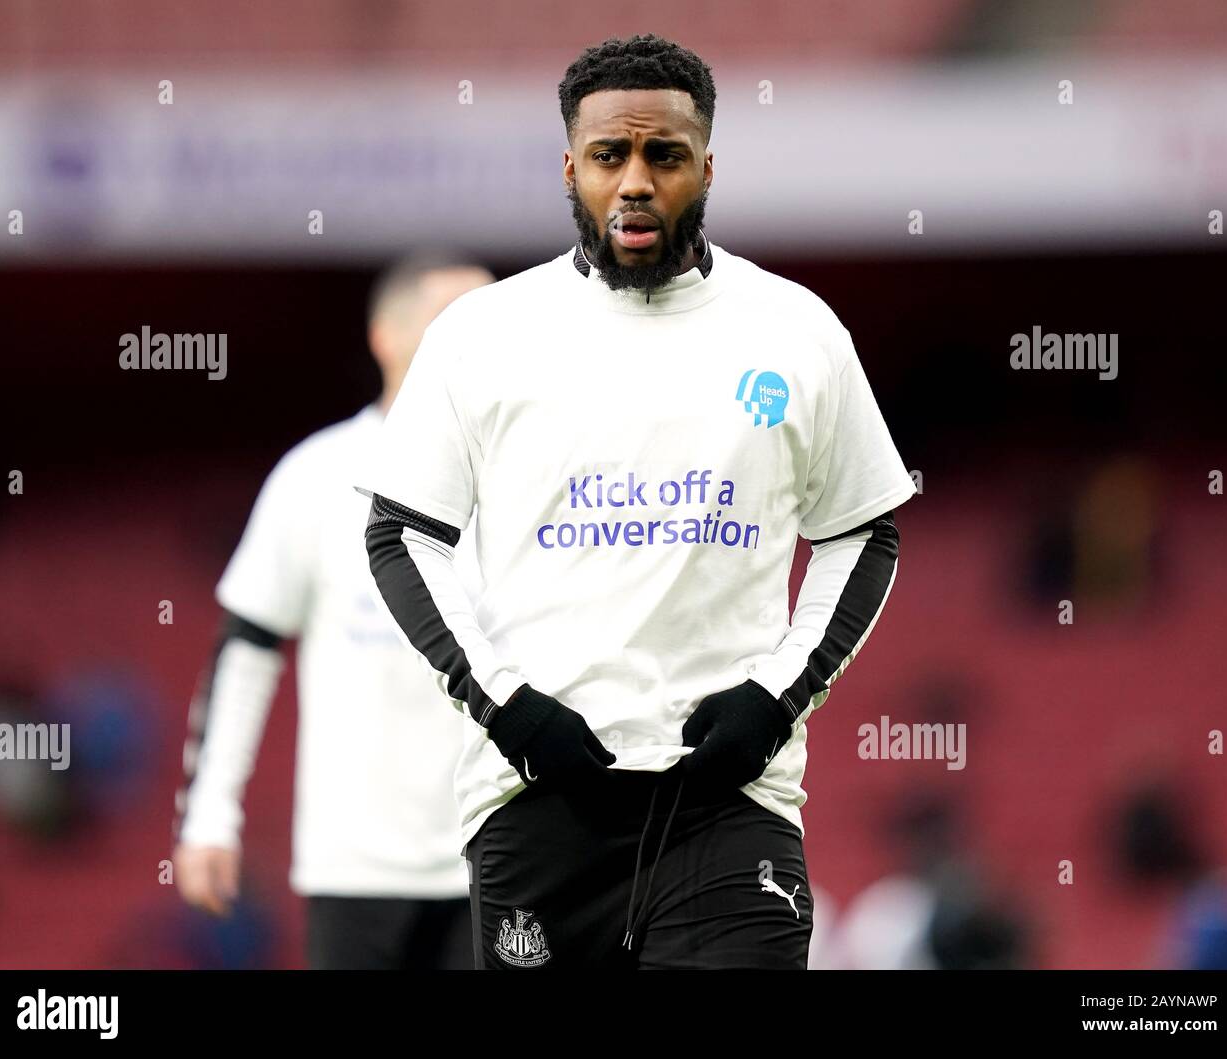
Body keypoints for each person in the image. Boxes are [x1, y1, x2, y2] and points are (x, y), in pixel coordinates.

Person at [356, 34, 915, 970]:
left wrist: (776, 700)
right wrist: (507, 707)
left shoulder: (797, 329)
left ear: (707, 165)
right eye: (611, 156)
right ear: (571, 167)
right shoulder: (482, 335)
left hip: (731, 803)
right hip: (537, 799)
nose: (637, 182)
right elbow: (403, 535)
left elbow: (864, 533)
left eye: (666, 155)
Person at [173, 254, 493, 969]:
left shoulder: (531, 480)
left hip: (500, 859)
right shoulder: (314, 476)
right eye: (453, 317)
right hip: (355, 868)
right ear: (386, 334)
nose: (477, 336)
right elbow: (247, 650)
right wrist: (211, 812)